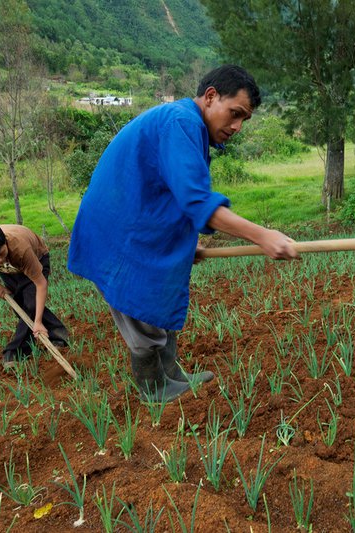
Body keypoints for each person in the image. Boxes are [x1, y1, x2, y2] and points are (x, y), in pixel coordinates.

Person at [68, 64, 298, 403]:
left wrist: (186, 243)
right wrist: (262, 235)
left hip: (136, 223)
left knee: (162, 297)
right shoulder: (182, 122)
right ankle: (154, 388)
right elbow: (195, 200)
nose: (236, 127)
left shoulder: (185, 124)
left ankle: (171, 374)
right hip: (122, 232)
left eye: (244, 120)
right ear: (210, 97)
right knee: (142, 302)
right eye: (235, 114)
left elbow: (174, 192)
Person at [0, 223, 69, 369]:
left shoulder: (21, 249)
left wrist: (37, 322)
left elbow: (41, 284)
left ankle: (16, 352)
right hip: (9, 269)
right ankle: (58, 334)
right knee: (20, 304)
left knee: (30, 306)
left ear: (5, 242)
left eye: (1, 253)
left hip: (35, 257)